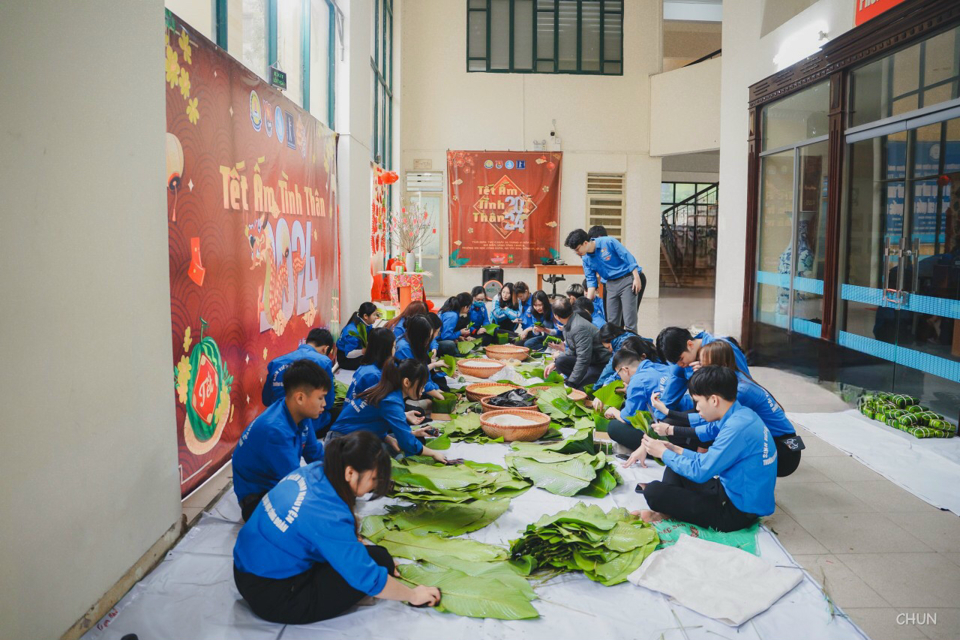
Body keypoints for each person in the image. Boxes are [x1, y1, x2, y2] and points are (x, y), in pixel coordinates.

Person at [233, 431, 441, 624]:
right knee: (380, 563)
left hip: (246, 569)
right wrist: (413, 595)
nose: (374, 486)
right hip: (275, 596)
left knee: (378, 557)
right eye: (373, 479)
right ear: (350, 472)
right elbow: (367, 578)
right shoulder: (328, 514)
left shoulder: (313, 471)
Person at [624, 366, 777, 533]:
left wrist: (662, 453)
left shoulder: (737, 428)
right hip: (729, 489)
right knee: (675, 466)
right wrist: (674, 449)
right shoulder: (741, 414)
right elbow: (705, 458)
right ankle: (673, 507)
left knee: (654, 492)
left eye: (697, 401)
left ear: (714, 400)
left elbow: (701, 471)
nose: (696, 408)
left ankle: (668, 511)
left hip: (735, 512)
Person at [651, 341, 802, 477]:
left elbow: (711, 426)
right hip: (780, 441)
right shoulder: (733, 378)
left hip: (785, 452)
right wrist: (667, 413)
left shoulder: (739, 391)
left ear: (718, 365)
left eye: (703, 364)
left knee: (715, 437)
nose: (698, 367)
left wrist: (701, 457)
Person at [233, 360, 329, 522]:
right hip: (256, 501)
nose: (324, 404)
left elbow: (316, 454)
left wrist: (341, 475)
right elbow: (294, 482)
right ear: (300, 398)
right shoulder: (275, 430)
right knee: (319, 518)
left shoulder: (300, 416)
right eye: (320, 398)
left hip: (278, 486)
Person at [329, 359, 448, 462]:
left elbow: (372, 423)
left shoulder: (386, 389)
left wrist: (411, 433)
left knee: (412, 441)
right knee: (394, 454)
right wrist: (434, 453)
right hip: (341, 444)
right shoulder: (392, 401)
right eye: (421, 386)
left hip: (348, 436)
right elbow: (407, 443)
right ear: (406, 382)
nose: (423, 390)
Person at [601, 346, 705, 453]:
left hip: (671, 427)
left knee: (614, 427)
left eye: (619, 375)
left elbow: (628, 418)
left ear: (625, 370)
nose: (620, 378)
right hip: (690, 414)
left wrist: (613, 411)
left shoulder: (637, 381)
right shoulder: (657, 366)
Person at [564, 228, 643, 333]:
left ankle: (631, 347)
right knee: (611, 322)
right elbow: (591, 280)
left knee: (629, 321)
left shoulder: (608, 242)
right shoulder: (586, 259)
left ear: (585, 243)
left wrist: (636, 277)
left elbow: (627, 257)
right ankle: (615, 347)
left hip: (626, 280)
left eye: (578, 249)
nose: (577, 253)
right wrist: (586, 302)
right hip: (610, 285)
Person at [263, 328, 337, 435]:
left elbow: (266, 400)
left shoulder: (276, 362)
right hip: (307, 423)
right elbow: (328, 403)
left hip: (277, 420)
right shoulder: (323, 361)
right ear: (325, 349)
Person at [544, 297, 611, 389]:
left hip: (600, 363)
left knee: (580, 389)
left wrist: (571, 383)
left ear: (556, 316)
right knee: (560, 361)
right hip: (590, 359)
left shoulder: (578, 327)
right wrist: (555, 363)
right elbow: (572, 350)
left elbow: (583, 359)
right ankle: (578, 378)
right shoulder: (569, 322)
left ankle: (580, 380)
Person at [395, 314, 446, 400]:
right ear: (420, 335)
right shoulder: (404, 348)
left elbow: (424, 371)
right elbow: (416, 376)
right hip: (410, 387)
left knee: (442, 384)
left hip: (419, 384)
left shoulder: (418, 342)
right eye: (428, 337)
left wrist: (435, 388)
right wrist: (436, 392)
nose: (429, 341)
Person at [346, 327, 396, 400]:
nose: (395, 350)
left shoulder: (366, 366)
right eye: (393, 346)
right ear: (385, 349)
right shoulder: (374, 376)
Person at [336, 303, 381, 370]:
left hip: (358, 350)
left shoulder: (366, 323)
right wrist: (363, 351)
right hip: (346, 359)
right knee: (374, 362)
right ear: (365, 316)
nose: (376, 317)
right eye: (374, 315)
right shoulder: (352, 332)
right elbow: (348, 354)